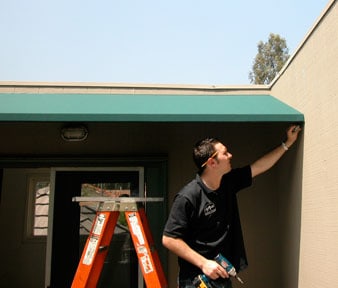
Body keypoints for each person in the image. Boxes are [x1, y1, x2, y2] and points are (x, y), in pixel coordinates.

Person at [162, 125, 301, 288]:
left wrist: (287, 143)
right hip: (197, 280)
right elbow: (169, 238)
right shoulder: (188, 196)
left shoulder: (228, 182)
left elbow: (258, 167)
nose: (230, 155)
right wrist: (204, 263)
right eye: (225, 153)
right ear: (212, 162)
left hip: (222, 276)